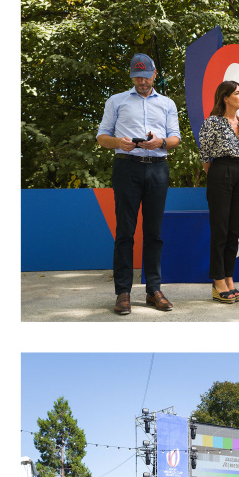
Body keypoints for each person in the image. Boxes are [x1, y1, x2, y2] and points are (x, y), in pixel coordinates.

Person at [96, 53, 181, 315]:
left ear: (154, 74)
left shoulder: (167, 103)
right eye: (136, 77)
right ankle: (123, 292)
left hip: (157, 168)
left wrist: (160, 142)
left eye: (145, 77)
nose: (141, 82)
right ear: (131, 76)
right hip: (126, 167)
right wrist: (118, 142)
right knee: (125, 231)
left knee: (154, 232)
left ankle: (153, 290)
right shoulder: (116, 100)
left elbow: (175, 138)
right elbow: (101, 136)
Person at [198, 81, 239, 303]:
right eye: (237, 93)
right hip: (220, 171)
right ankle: (218, 280)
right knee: (220, 229)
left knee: (234, 230)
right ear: (225, 98)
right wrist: (216, 176)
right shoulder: (212, 122)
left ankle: (229, 277)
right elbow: (205, 155)